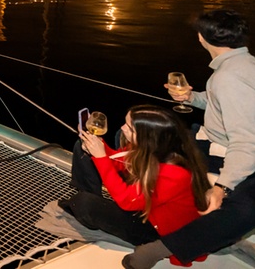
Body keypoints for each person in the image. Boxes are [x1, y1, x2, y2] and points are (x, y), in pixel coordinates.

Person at [123, 10, 255, 268]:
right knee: (136, 136)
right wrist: (191, 97)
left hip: (226, 151)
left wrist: (222, 188)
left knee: (242, 209)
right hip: (216, 139)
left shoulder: (228, 78)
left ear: (201, 38)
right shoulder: (244, 64)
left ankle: (158, 245)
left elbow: (246, 142)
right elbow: (221, 104)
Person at [60, 105, 211, 266]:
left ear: (148, 136)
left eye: (129, 128)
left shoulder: (174, 173)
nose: (122, 128)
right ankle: (92, 201)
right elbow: (120, 162)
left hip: (158, 228)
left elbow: (128, 201)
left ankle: (90, 204)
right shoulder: (154, 148)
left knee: (84, 203)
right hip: (147, 208)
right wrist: (98, 146)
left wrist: (101, 157)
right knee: (82, 148)